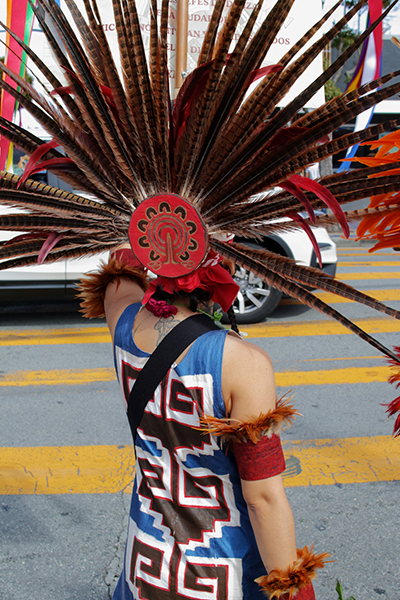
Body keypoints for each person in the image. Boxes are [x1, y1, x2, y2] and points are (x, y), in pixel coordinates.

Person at [79, 241, 328, 600]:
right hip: (222, 575)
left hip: (145, 564)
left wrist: (153, 225)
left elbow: (119, 268)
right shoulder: (243, 361)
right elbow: (263, 499)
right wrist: (294, 589)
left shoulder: (124, 321)